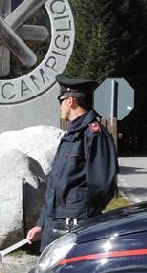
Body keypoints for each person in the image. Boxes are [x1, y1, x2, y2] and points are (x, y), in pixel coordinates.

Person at [26, 74, 119, 251]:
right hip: (56, 222)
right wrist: (42, 224)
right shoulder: (71, 135)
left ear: (70, 101)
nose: (60, 106)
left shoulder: (94, 135)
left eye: (61, 101)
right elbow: (56, 185)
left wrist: (83, 214)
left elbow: (103, 185)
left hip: (75, 224)